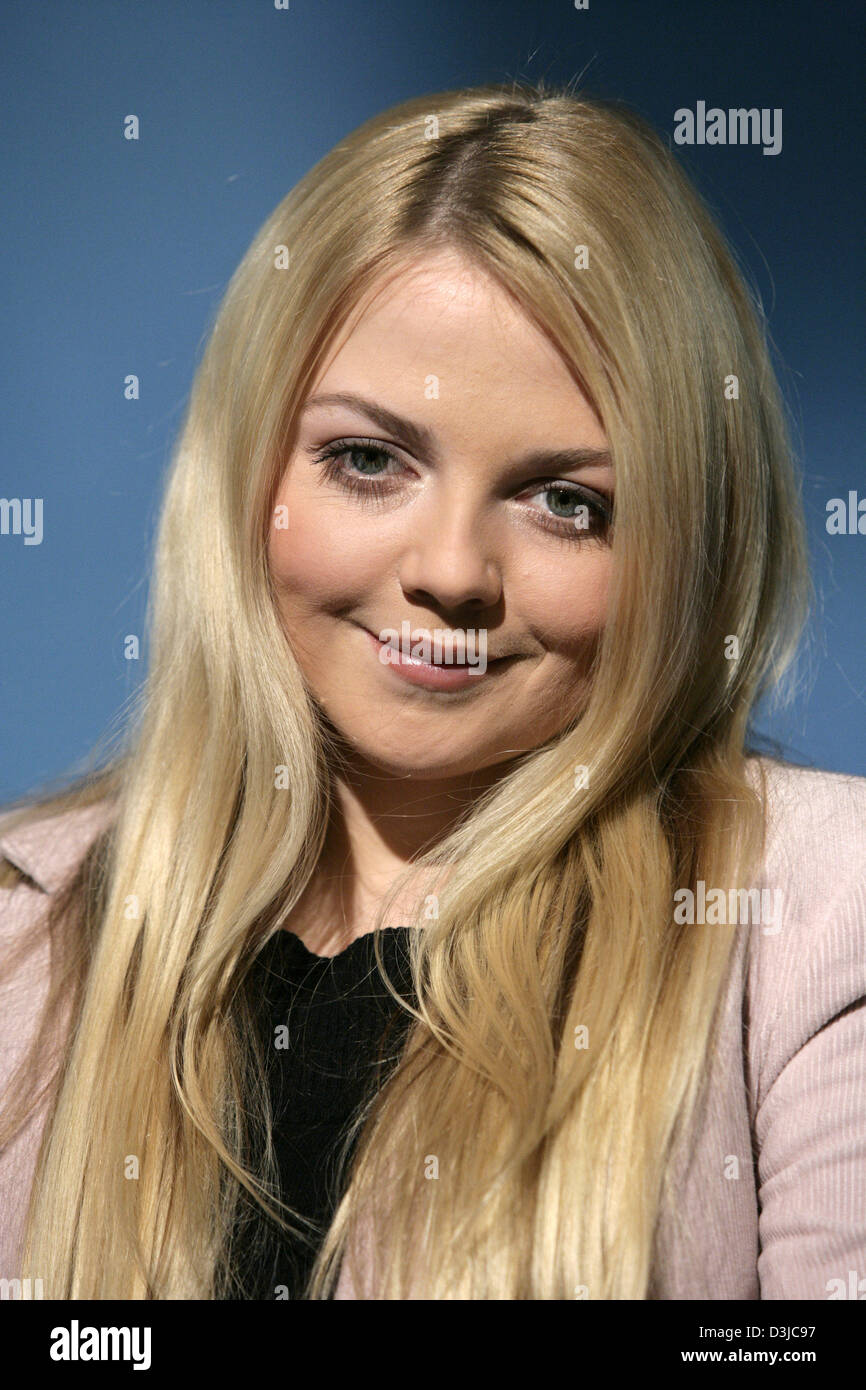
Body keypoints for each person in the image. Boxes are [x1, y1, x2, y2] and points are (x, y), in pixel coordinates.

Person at [1, 81, 864, 1302]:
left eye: (567, 502)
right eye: (368, 460)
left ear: (687, 546)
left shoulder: (824, 916)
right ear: (248, 471)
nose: (450, 571)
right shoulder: (18, 929)